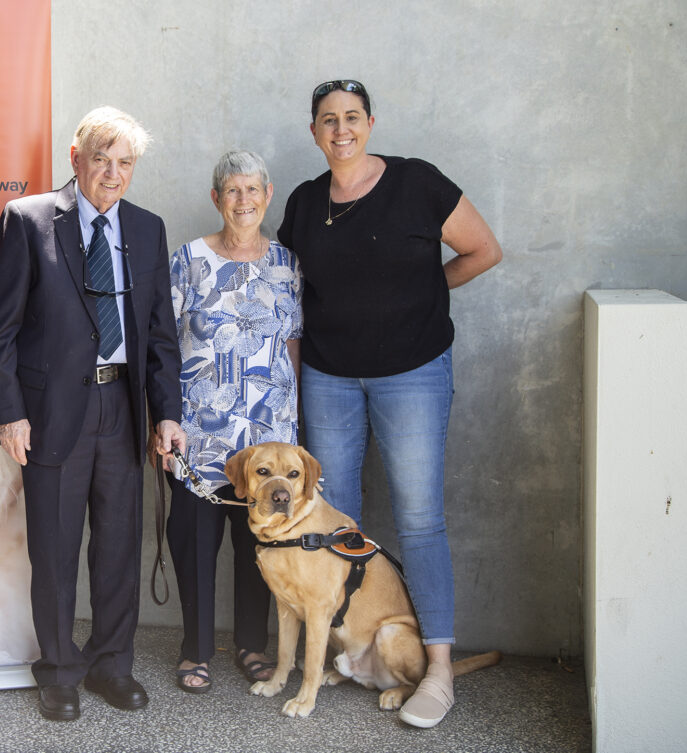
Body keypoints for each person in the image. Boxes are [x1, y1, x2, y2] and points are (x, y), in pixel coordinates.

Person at [278, 80, 502, 728]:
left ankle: (435, 669)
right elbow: (293, 299)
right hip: (328, 378)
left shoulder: (417, 183)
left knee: (420, 517)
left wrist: (425, 293)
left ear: (370, 123)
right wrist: (292, 386)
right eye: (328, 120)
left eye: (352, 117)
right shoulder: (303, 202)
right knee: (336, 521)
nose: (341, 129)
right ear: (314, 131)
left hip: (412, 374)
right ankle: (349, 647)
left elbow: (482, 250)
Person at [0, 106, 186, 722]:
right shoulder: (29, 219)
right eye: (102, 158)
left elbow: (160, 334)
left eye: (125, 163)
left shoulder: (147, 229)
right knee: (56, 546)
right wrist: (9, 413)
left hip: (123, 406)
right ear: (77, 157)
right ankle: (60, 670)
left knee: (119, 547)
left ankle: (111, 666)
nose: (113, 174)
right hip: (51, 413)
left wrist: (166, 412)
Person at [160, 150, 302, 694]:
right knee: (194, 542)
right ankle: (194, 649)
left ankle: (252, 644)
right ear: (216, 199)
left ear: (267, 197)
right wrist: (164, 419)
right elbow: (163, 347)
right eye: (232, 191)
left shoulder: (288, 264)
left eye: (253, 190)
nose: (243, 201)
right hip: (200, 435)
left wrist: (294, 428)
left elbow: (291, 346)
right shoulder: (188, 260)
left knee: (259, 545)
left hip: (267, 440)